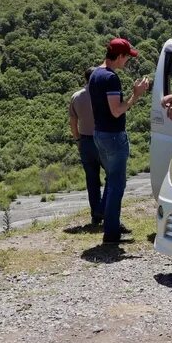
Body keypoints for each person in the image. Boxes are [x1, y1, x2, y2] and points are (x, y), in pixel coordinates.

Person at [88, 37, 151, 246]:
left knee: (112, 178)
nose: (127, 62)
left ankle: (102, 213)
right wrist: (136, 95)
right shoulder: (111, 78)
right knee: (117, 183)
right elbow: (116, 111)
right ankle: (111, 232)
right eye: (127, 58)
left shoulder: (95, 74)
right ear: (120, 56)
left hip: (99, 134)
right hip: (114, 136)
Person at [69, 66, 103, 229]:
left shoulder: (76, 97)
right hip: (103, 139)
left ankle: (96, 214)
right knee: (113, 175)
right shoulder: (102, 94)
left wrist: (77, 140)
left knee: (92, 179)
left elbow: (73, 122)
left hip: (86, 141)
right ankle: (106, 209)